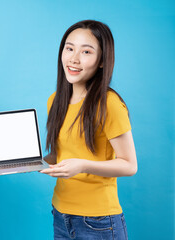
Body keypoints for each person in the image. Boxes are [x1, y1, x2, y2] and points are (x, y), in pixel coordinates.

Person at [40, 20, 137, 240]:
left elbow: (129, 165)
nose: (74, 58)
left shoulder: (108, 103)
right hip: (61, 213)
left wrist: (83, 166)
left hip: (98, 221)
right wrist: (30, 161)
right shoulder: (55, 101)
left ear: (102, 61)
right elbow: (60, 154)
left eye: (86, 51)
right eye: (69, 48)